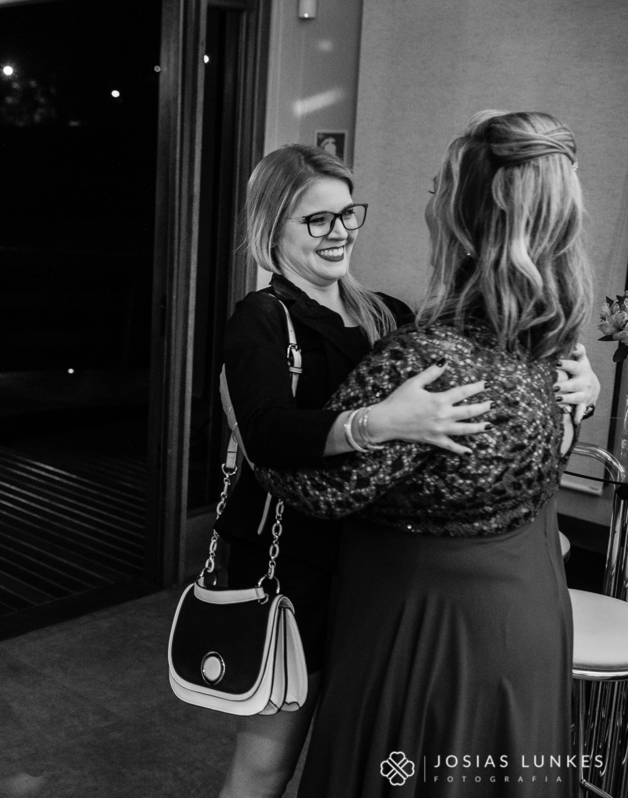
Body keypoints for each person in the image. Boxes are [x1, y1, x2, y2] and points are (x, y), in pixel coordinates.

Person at [215, 143, 597, 798]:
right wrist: (379, 423)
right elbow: (267, 436)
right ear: (269, 226)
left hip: (370, 569)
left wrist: (571, 388)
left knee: (350, 741)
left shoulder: (387, 313)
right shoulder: (261, 320)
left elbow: (477, 381)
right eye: (317, 220)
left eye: (348, 214)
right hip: (293, 567)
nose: (340, 233)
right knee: (268, 763)